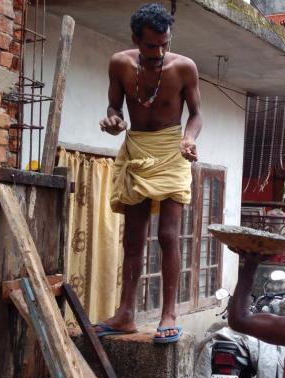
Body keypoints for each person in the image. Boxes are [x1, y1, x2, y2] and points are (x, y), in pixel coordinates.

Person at [94, 3, 202, 343]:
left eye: (164, 44)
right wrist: (113, 120)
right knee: (133, 238)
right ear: (135, 40)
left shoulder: (184, 68)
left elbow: (197, 114)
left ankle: (168, 312)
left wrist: (188, 138)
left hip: (172, 151)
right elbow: (114, 106)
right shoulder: (119, 64)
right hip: (137, 149)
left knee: (169, 235)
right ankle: (126, 312)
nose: (159, 52)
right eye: (152, 46)